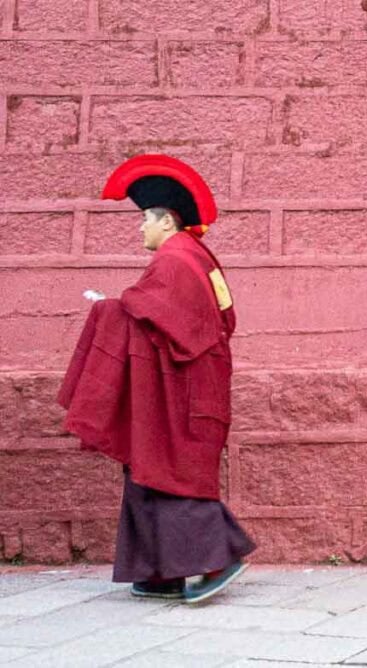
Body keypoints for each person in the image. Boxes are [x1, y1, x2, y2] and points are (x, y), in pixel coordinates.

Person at [57, 154, 254, 604]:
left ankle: (219, 559)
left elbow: (154, 314)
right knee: (149, 465)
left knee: (171, 470)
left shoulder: (175, 260)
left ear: (167, 221)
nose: (140, 227)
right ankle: (162, 572)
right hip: (184, 386)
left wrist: (108, 308)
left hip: (181, 392)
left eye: (145, 218)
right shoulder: (196, 257)